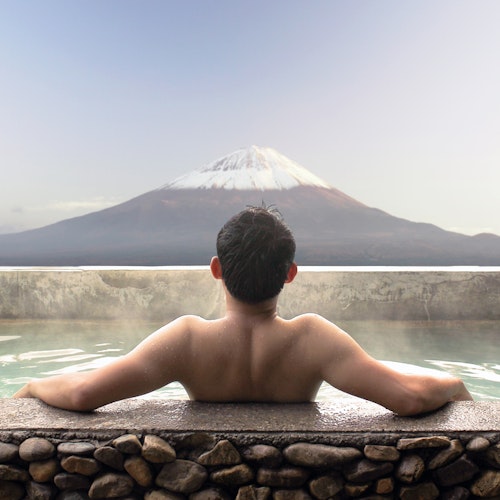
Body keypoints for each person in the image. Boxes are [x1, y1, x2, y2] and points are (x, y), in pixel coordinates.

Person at [13, 206, 473, 414]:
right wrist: (454, 383)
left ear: (216, 268)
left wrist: (32, 385)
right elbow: (408, 397)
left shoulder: (188, 339)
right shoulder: (312, 339)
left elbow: (81, 395)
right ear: (290, 273)